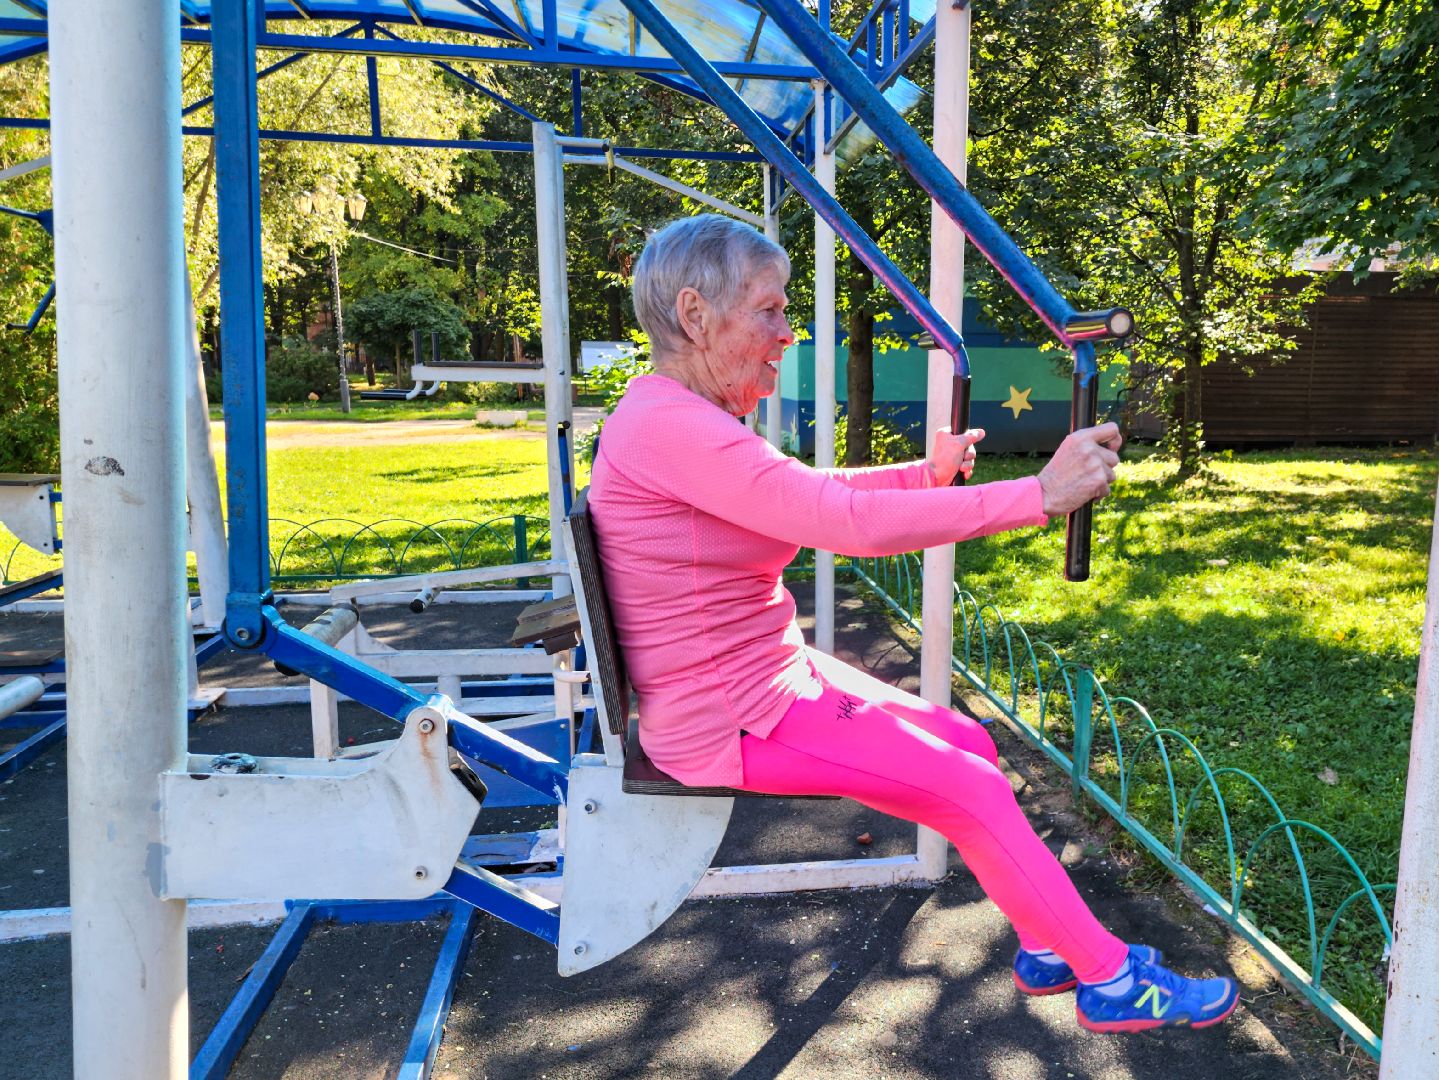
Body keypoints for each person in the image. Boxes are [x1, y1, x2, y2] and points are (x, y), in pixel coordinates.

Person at [588, 214, 1238, 1034]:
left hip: (764, 677)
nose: (786, 334)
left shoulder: (680, 418)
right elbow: (842, 522)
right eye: (769, 311)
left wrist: (920, 476)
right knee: (966, 789)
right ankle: (1108, 980)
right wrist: (1037, 496)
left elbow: (800, 489)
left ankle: (1050, 943)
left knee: (966, 745)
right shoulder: (668, 425)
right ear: (694, 315)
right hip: (730, 715)